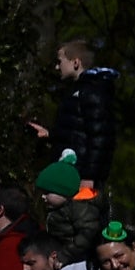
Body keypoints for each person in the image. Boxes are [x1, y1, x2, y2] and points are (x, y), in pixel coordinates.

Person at [28, 39, 118, 186]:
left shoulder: (93, 92)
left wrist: (89, 177)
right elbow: (77, 132)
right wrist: (51, 134)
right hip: (70, 175)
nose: (57, 67)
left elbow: (100, 138)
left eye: (60, 61)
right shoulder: (77, 91)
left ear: (75, 62)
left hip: (80, 179)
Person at [34, 152, 104, 262]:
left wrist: (64, 255)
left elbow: (87, 235)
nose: (43, 196)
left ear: (64, 192)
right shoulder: (57, 208)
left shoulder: (80, 208)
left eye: (48, 192)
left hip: (80, 257)